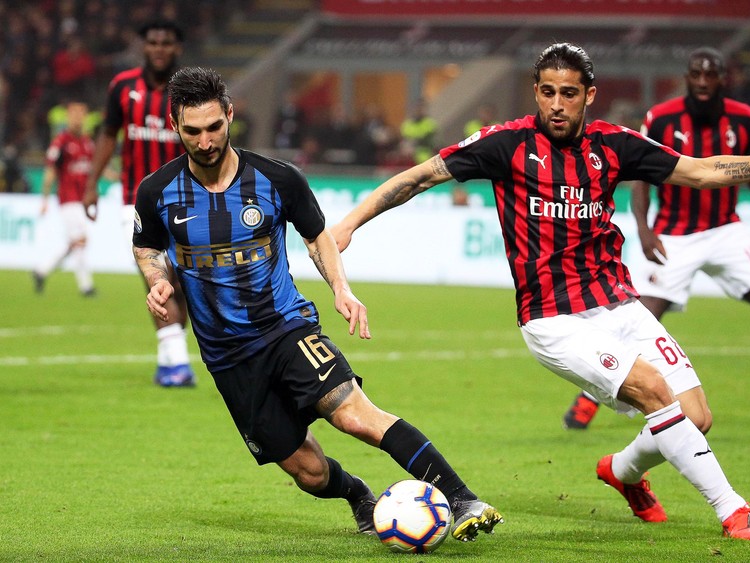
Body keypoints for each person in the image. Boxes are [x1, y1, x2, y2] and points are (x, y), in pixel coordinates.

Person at [331, 43, 750, 540]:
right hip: (553, 318)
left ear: (588, 95)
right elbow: (420, 177)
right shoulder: (505, 145)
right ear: (536, 91)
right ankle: (734, 510)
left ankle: (622, 471)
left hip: (618, 303)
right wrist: (350, 223)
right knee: (657, 393)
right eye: (547, 92)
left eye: (568, 93)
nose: (556, 104)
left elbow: (699, 171)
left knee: (696, 417)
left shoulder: (614, 145)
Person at [132, 66, 503, 543]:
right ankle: (359, 497)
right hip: (228, 358)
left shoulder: (277, 179)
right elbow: (147, 247)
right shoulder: (157, 192)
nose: (205, 142)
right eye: (193, 131)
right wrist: (158, 279)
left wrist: (341, 289)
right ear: (174, 125)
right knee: (307, 471)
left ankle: (462, 498)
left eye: (214, 128)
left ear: (229, 115)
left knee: (355, 415)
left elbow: (318, 239)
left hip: (286, 329)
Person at [562, 47, 750, 437]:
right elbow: (640, 175)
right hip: (673, 234)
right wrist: (644, 227)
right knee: (637, 317)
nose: (702, 81)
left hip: (726, 229)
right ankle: (588, 398)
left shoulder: (743, 119)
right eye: (695, 74)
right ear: (687, 77)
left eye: (710, 74)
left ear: (723, 78)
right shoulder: (661, 118)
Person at [83, 20, 194, 387]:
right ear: (143, 47)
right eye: (152, 42)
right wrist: (91, 183)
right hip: (135, 200)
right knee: (156, 278)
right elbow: (108, 135)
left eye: (166, 42)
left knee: (184, 286)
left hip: (186, 199)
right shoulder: (123, 86)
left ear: (177, 48)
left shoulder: (190, 90)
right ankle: (176, 362)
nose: (159, 48)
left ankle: (169, 358)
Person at [33, 100, 96, 297]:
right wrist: (44, 199)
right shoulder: (61, 142)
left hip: (83, 201)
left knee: (74, 242)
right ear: (68, 116)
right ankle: (86, 287)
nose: (78, 118)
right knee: (81, 240)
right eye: (74, 114)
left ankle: (41, 270)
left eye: (81, 114)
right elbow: (50, 171)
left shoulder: (88, 143)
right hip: (68, 200)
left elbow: (95, 169)